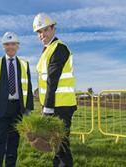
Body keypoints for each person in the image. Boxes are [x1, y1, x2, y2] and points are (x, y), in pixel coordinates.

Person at [33, 13, 77, 167]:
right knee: (56, 145)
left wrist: (48, 108)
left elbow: (53, 81)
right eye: (39, 32)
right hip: (54, 105)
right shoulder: (48, 49)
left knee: (61, 146)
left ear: (53, 29)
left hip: (61, 106)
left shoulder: (59, 49)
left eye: (45, 30)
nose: (42, 35)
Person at [0, 32, 34, 167]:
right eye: (7, 44)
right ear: (3, 46)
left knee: (13, 142)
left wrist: (28, 107)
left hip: (17, 109)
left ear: (18, 46)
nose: (10, 47)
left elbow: (28, 86)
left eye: (13, 44)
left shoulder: (24, 64)